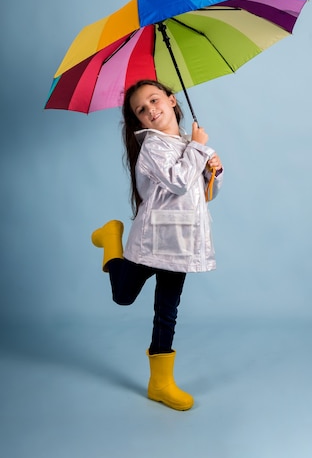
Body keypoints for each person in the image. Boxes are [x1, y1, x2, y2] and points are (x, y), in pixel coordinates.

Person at [91, 79, 223, 410]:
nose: (151, 109)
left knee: (167, 310)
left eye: (154, 100)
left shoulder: (186, 143)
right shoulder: (152, 147)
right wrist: (198, 148)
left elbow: (202, 197)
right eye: (141, 109)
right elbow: (178, 183)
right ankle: (111, 239)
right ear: (138, 120)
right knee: (123, 296)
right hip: (153, 240)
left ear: (172, 100)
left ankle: (160, 383)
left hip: (182, 241)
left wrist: (213, 174)